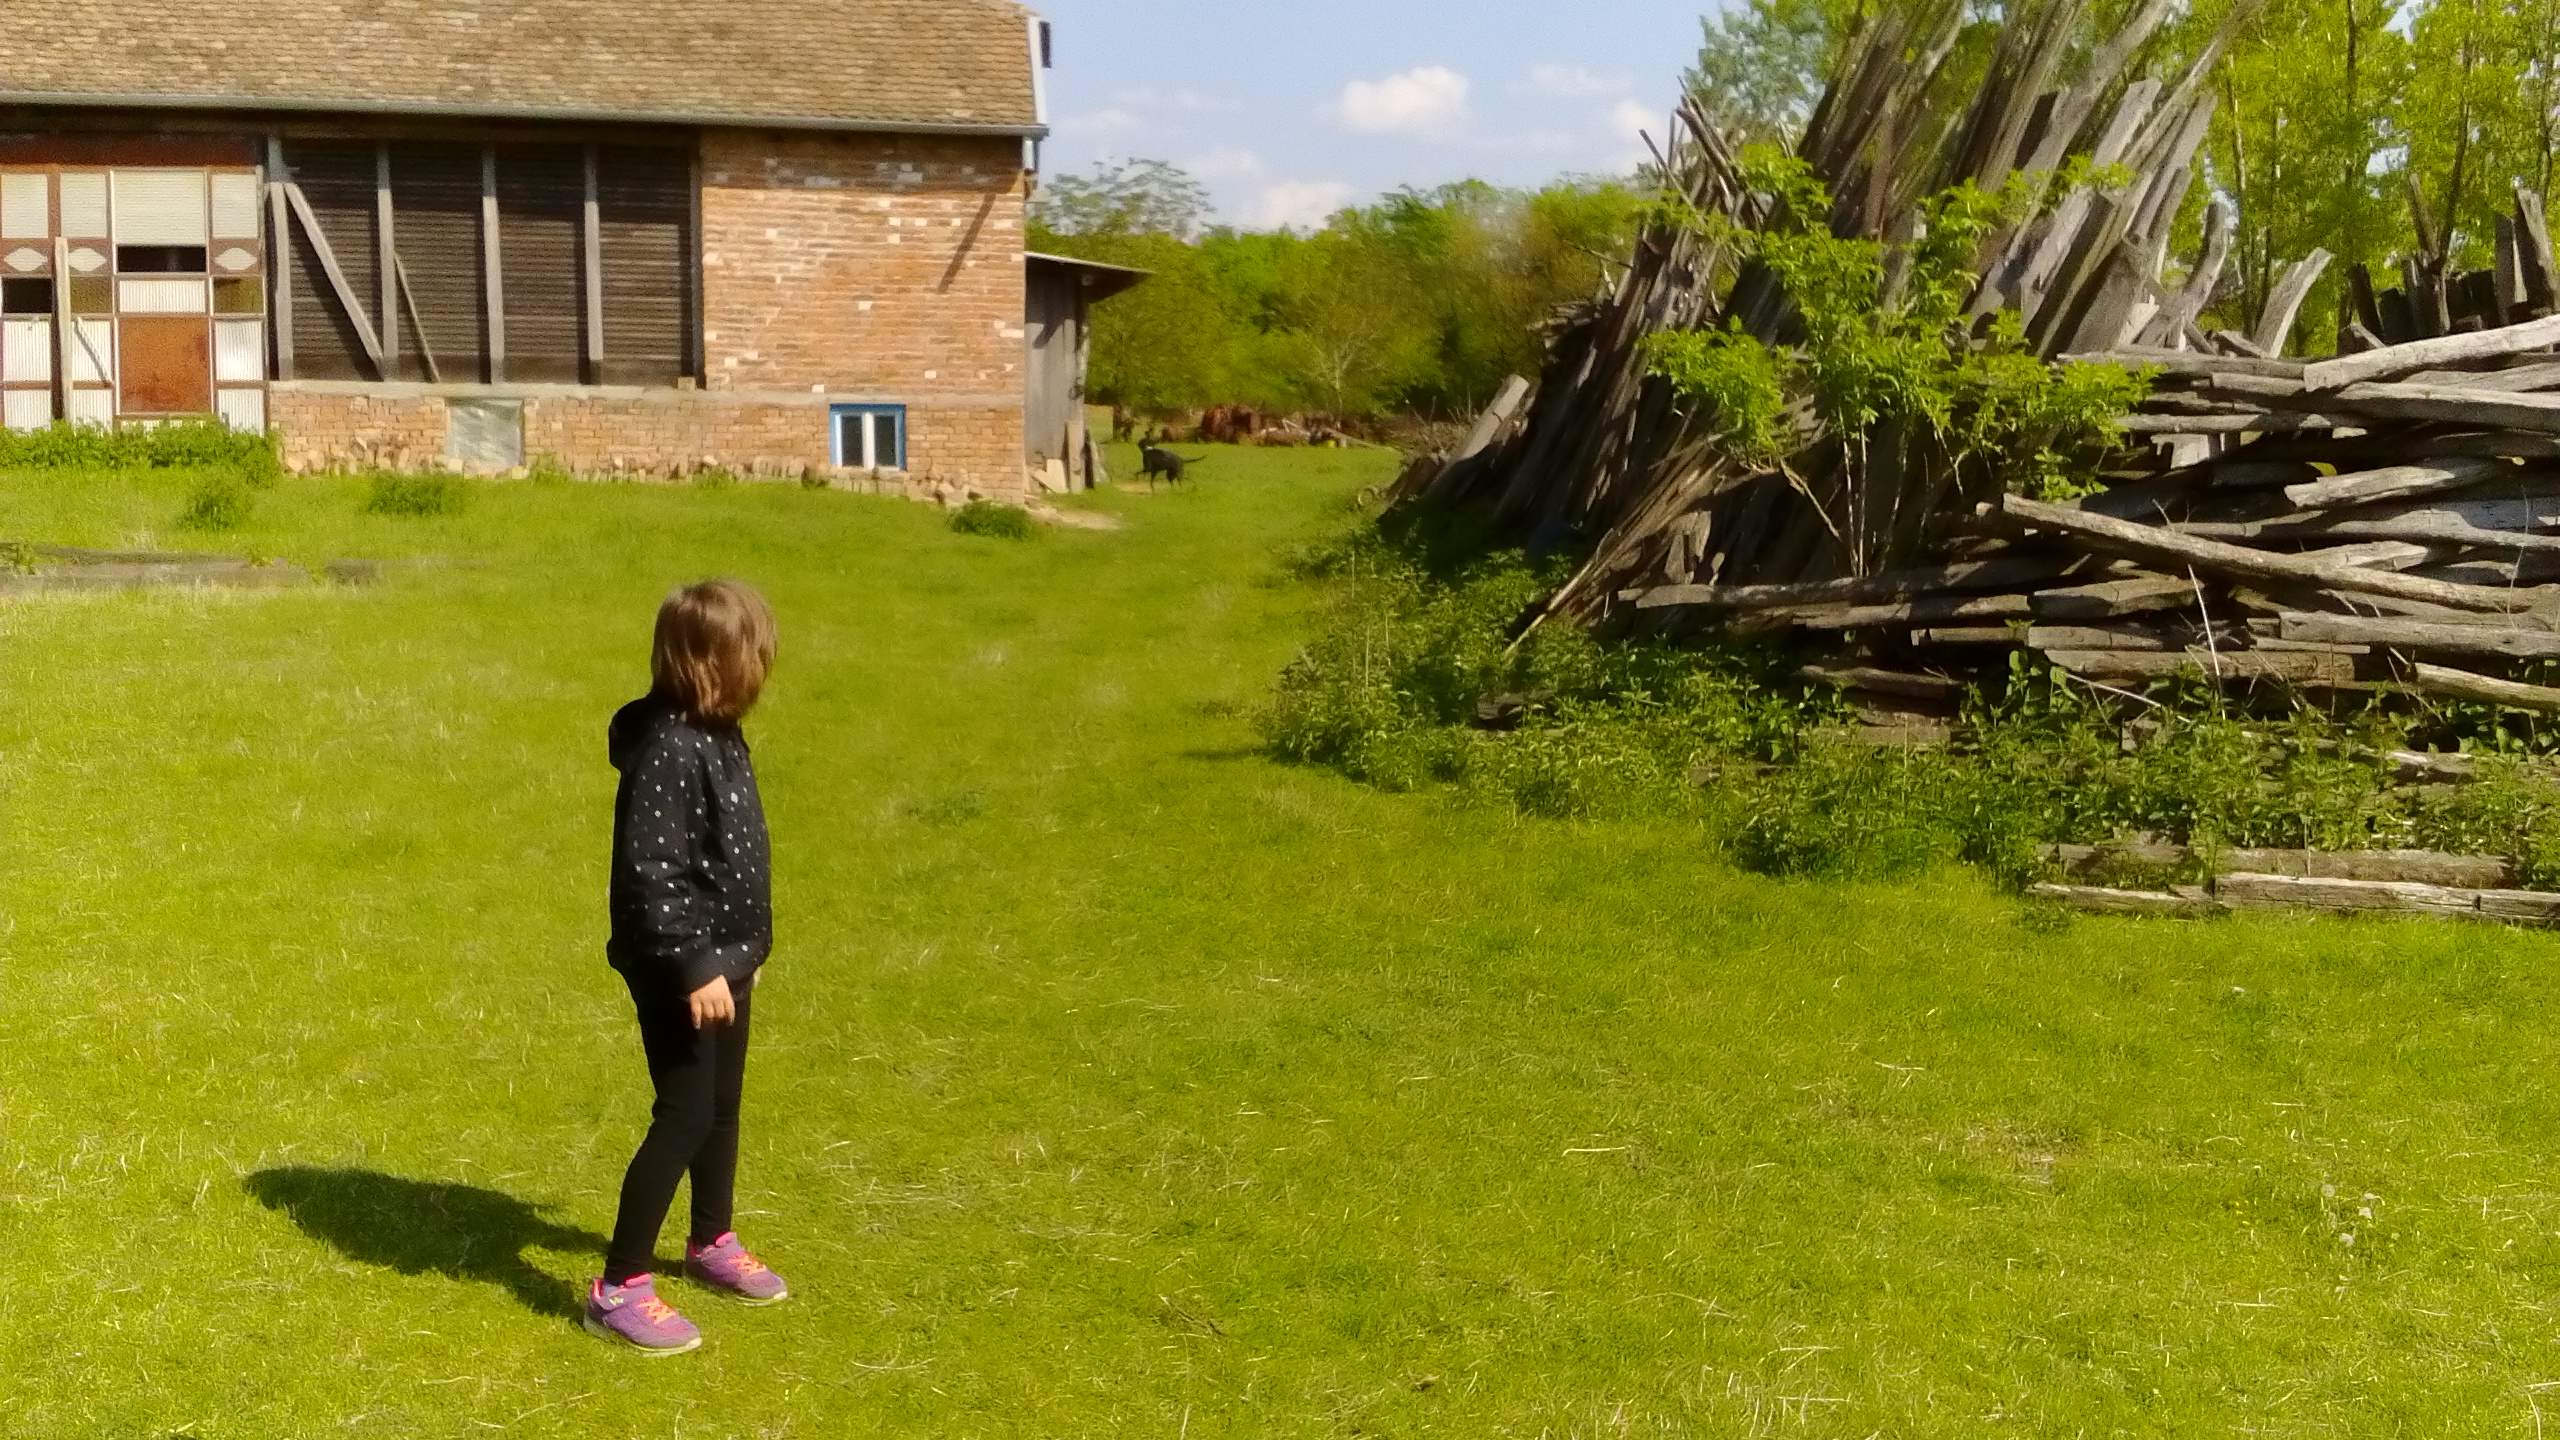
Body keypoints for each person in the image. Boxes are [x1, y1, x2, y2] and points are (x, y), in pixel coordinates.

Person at [586, 579, 790, 1355]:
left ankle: (711, 1240)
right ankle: (619, 1287)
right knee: (685, 1116)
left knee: (723, 1107)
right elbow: (654, 874)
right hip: (678, 965)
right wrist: (699, 966)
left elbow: (731, 856)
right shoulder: (670, 750)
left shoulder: (719, 731)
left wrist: (746, 953)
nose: (761, 670)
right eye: (751, 657)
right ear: (710, 664)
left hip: (722, 959)